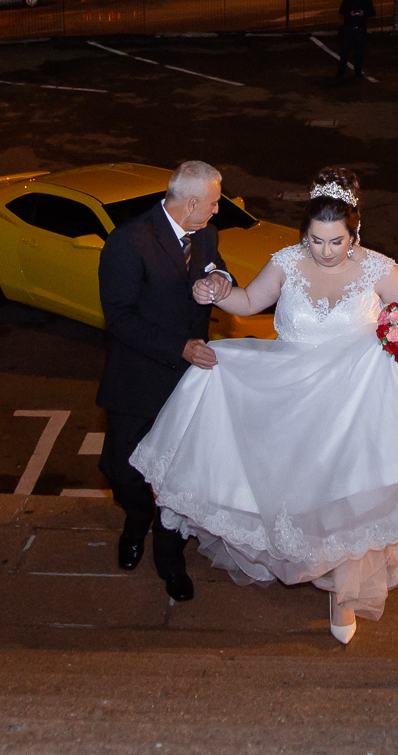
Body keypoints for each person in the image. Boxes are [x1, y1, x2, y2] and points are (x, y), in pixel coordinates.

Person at [130, 167, 398, 644]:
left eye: (336, 242)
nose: (326, 251)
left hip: (356, 407)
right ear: (304, 234)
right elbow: (249, 301)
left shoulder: (380, 269)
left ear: (355, 235)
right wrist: (221, 290)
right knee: (302, 496)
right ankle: (314, 564)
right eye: (316, 240)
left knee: (348, 500)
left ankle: (342, 593)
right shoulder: (287, 262)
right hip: (291, 399)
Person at [95, 160, 234, 603]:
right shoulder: (127, 242)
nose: (216, 211)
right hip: (136, 380)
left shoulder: (206, 234)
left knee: (179, 476)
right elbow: (119, 317)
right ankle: (137, 520)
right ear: (191, 203)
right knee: (123, 473)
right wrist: (180, 346)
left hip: (187, 386)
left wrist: (219, 279)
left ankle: (170, 560)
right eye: (213, 203)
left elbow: (223, 272)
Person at [336, 0, 375, 79]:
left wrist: (364, 12)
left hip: (360, 28)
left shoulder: (366, 1)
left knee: (359, 51)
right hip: (349, 28)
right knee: (345, 51)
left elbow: (372, 12)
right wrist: (349, 12)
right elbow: (341, 10)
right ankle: (341, 71)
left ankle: (358, 71)